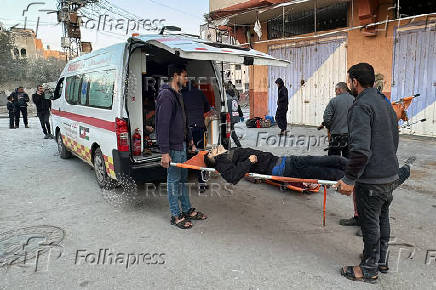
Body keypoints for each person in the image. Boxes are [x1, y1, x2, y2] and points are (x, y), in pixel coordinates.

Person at [336, 63, 399, 283]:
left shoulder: (361, 106)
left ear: (354, 81)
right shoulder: (383, 101)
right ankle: (380, 259)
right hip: (390, 174)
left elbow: (361, 150)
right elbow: (394, 138)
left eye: (350, 80)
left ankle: (369, 269)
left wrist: (349, 179)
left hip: (372, 179)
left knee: (370, 222)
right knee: (382, 217)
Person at [155, 63, 207, 229]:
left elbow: (184, 120)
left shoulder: (178, 94)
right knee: (174, 181)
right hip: (173, 147)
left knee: (183, 180)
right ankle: (175, 215)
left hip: (182, 145)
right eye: (184, 76)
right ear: (176, 76)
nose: (187, 79)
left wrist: (190, 140)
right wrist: (164, 152)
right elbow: (162, 125)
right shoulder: (166, 96)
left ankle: (186, 210)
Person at [204, 145, 347, 185]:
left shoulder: (230, 152)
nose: (212, 149)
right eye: (211, 153)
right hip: (279, 168)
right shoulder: (223, 162)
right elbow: (232, 177)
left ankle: (350, 166)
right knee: (320, 172)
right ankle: (352, 178)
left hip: (283, 160)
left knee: (320, 160)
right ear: (215, 158)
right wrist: (249, 161)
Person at [182, 80, 211, 193]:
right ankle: (202, 184)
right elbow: (207, 109)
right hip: (199, 127)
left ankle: (183, 184)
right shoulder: (200, 93)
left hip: (186, 129)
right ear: (194, 85)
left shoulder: (181, 95)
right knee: (200, 155)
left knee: (184, 156)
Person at [322, 82, 354, 157]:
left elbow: (327, 118)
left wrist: (329, 128)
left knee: (333, 161)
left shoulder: (333, 101)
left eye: (335, 90)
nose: (335, 92)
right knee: (348, 160)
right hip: (350, 136)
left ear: (339, 90)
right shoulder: (354, 100)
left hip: (336, 135)